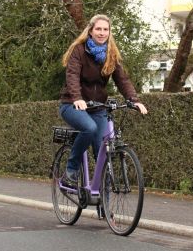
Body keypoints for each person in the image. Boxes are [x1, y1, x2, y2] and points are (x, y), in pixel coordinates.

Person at [59, 14, 148, 186]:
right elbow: (72, 75)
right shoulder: (79, 50)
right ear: (90, 31)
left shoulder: (111, 54)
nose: (101, 32)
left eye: (105, 29)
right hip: (72, 104)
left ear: (109, 32)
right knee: (89, 128)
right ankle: (71, 170)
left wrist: (134, 100)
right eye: (98, 29)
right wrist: (77, 98)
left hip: (97, 107)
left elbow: (122, 80)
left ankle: (103, 208)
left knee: (103, 153)